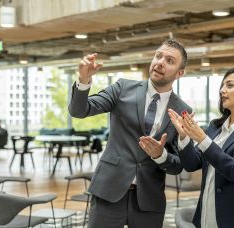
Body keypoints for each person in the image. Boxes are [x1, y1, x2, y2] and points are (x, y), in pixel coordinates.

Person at [69, 39, 192, 228]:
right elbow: (80, 111)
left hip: (149, 199)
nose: (160, 62)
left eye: (169, 60)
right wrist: (84, 81)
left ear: (180, 73)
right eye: (158, 56)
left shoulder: (182, 111)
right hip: (109, 190)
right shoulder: (122, 88)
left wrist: (160, 155)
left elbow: (177, 166)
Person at [168, 67, 234, 228]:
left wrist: (202, 138)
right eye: (222, 86)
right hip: (207, 213)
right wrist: (183, 136)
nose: (222, 90)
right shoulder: (215, 127)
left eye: (230, 85)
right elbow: (191, 164)